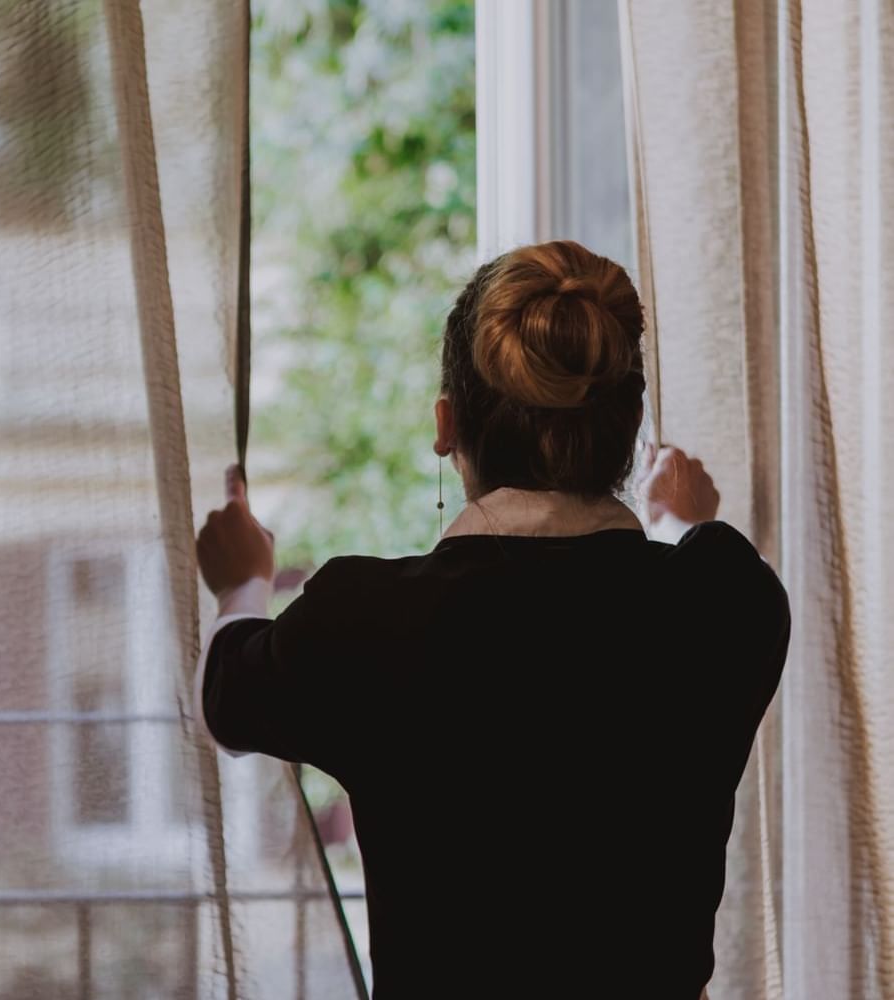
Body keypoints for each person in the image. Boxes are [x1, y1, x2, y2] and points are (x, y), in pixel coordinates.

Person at [193, 240, 790, 999]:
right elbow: (690, 575)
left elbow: (227, 698)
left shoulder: (366, 620)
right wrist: (676, 524)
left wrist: (240, 584)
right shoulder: (728, 603)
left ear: (445, 425)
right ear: (631, 422)